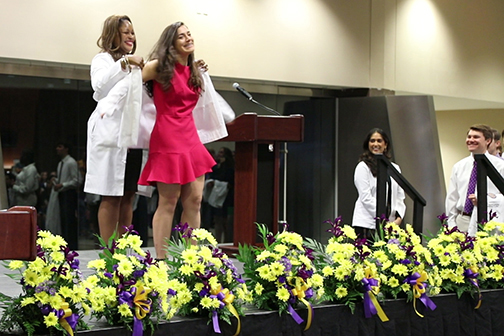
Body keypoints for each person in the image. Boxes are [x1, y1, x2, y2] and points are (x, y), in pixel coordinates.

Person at [138, 21, 234, 258]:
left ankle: (189, 259)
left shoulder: (194, 71)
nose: (188, 38)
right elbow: (130, 86)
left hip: (190, 136)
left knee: (195, 201)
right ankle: (160, 259)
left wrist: (199, 70)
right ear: (171, 43)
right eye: (181, 36)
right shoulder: (158, 67)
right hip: (167, 136)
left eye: (189, 34)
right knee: (169, 201)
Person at [84, 15, 146, 244]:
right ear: (113, 34)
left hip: (133, 137)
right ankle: (109, 253)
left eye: (132, 32)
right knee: (111, 195)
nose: (131, 36)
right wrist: (124, 64)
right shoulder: (102, 60)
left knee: (129, 195)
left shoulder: (138, 63)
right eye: (125, 32)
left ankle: (124, 252)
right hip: (110, 136)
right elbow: (99, 89)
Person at [446, 124, 504, 233]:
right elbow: (452, 198)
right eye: (469, 137)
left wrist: (486, 200)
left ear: (488, 141)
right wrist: (452, 224)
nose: (471, 140)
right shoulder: (459, 166)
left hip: (490, 220)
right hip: (463, 220)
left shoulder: (500, 166)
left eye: (476, 137)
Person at [352, 128, 406, 240]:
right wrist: (382, 218)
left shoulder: (395, 168)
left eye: (379, 141)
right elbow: (365, 198)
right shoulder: (363, 167)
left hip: (391, 226)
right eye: (372, 141)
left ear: (385, 145)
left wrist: (398, 218)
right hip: (368, 224)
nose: (375, 144)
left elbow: (400, 197)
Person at [54, 142, 80, 250]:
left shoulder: (71, 162)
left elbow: (76, 180)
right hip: (62, 193)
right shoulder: (61, 163)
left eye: (60, 146)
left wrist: (63, 185)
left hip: (69, 193)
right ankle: (65, 243)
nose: (57, 149)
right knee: (63, 220)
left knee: (69, 219)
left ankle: (72, 245)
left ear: (66, 149)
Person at [206, 147, 235, 243]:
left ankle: (227, 240)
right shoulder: (217, 165)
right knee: (217, 220)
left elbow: (228, 179)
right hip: (217, 195)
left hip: (226, 196)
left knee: (225, 221)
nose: (219, 154)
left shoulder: (229, 166)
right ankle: (217, 240)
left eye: (221, 152)